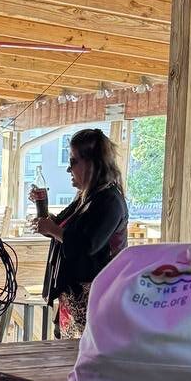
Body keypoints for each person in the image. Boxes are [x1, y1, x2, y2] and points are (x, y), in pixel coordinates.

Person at [35, 127, 129, 340]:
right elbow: (62, 226)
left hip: (96, 297)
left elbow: (87, 244)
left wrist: (53, 229)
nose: (69, 169)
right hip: (76, 295)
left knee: (87, 359)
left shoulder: (109, 201)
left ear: (91, 163)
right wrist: (44, 213)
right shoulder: (86, 197)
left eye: (73, 161)